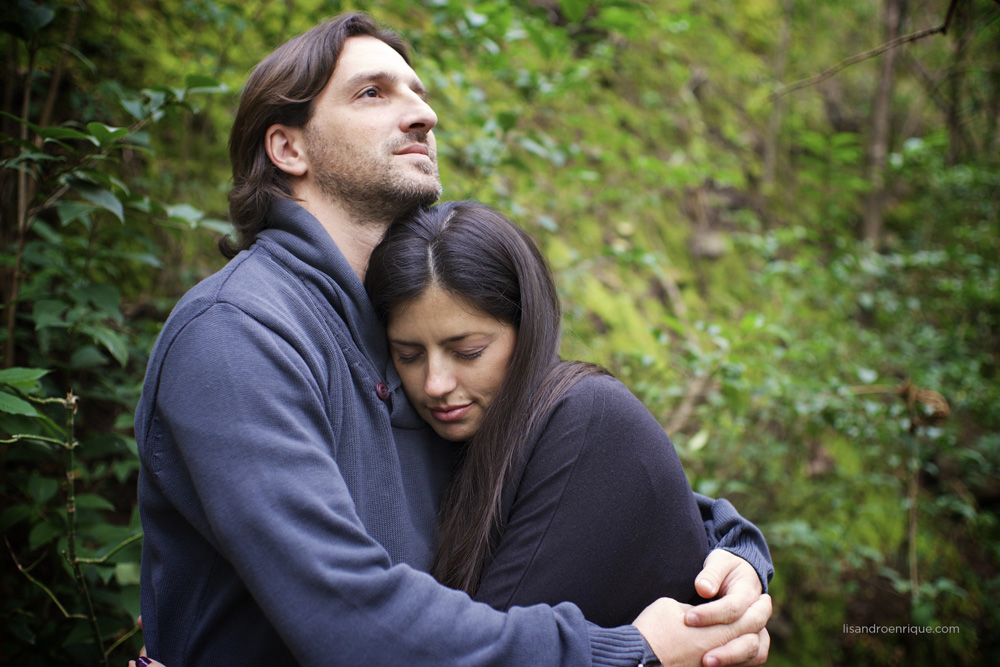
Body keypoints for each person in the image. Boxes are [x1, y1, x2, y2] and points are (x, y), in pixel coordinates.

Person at [133, 12, 772, 667]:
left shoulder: (403, 330)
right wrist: (629, 650)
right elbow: (349, 616)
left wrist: (736, 554)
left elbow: (566, 467)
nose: (422, 115)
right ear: (288, 148)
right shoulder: (238, 332)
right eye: (373, 93)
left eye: (420, 93)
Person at [366, 200, 715, 626]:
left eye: (468, 352)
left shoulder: (589, 418)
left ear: (526, 328)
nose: (435, 384)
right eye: (409, 355)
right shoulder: (457, 438)